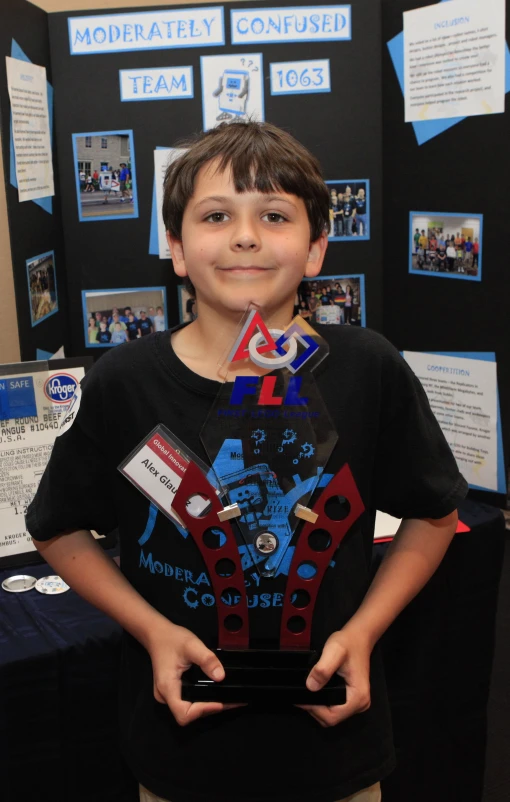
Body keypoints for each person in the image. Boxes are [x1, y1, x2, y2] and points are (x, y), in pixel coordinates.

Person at [27, 120, 466, 802]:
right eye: (214, 215)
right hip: (181, 752)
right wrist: (153, 631)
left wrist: (364, 631)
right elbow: (56, 526)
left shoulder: (366, 368)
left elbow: (434, 514)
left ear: (317, 247)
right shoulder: (125, 381)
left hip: (335, 750)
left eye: (274, 215)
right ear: (174, 246)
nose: (245, 236)